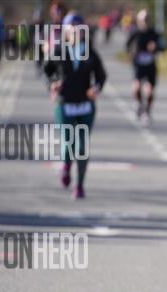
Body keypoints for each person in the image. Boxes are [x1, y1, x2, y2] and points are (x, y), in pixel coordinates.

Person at [44, 12, 106, 199]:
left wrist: (96, 88)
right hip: (65, 103)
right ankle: (66, 165)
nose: (75, 30)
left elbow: (101, 75)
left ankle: (79, 185)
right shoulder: (59, 51)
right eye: (71, 26)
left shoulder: (90, 52)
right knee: (68, 141)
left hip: (86, 105)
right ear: (65, 30)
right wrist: (53, 84)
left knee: (82, 147)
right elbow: (48, 71)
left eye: (79, 26)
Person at [125, 10, 164, 125]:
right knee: (137, 87)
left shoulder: (154, 33)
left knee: (150, 91)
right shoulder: (135, 32)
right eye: (142, 20)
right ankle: (138, 104)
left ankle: (147, 111)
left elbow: (162, 47)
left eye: (146, 19)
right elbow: (127, 46)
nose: (144, 22)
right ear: (138, 21)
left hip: (150, 65)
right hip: (138, 64)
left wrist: (156, 48)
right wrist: (132, 52)